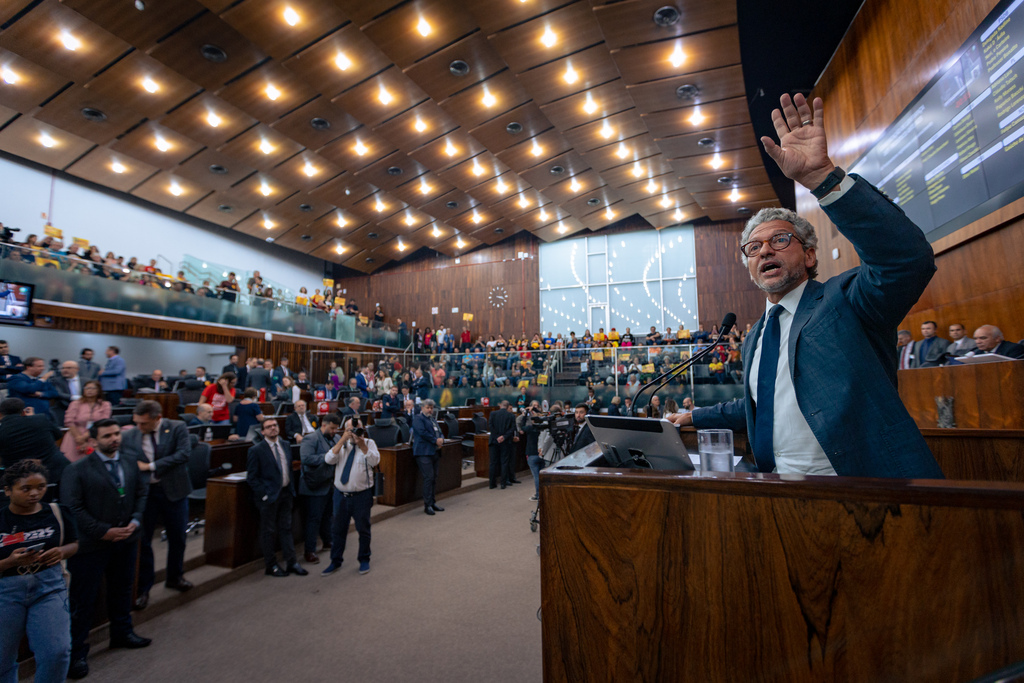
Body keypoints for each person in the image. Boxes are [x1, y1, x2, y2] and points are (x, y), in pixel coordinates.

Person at [677, 93, 943, 479]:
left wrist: (823, 180)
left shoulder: (847, 301)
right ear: (750, 266)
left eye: (780, 240)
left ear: (810, 256)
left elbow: (907, 260)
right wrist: (692, 415)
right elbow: (760, 403)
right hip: (779, 496)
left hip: (863, 494)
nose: (765, 249)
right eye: (754, 247)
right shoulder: (758, 336)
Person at [61, 420, 151, 679]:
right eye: (107, 435)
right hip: (92, 545)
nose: (114, 439)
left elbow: (141, 493)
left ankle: (122, 633)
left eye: (116, 434)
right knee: (83, 600)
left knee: (122, 590)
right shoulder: (77, 469)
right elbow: (73, 508)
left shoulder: (129, 460)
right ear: (92, 441)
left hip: (126, 538)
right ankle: (76, 653)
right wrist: (103, 530)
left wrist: (135, 521)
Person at [0, 459, 78, 683]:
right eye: (25, 488)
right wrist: (9, 562)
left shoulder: (57, 512)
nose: (34, 493)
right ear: (8, 490)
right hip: (6, 589)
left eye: (40, 487)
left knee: (57, 653)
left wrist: (61, 551)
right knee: (2, 660)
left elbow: (74, 544)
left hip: (49, 586)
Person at [120, 401, 193, 609]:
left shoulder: (177, 427)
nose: (139, 427)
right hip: (146, 494)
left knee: (178, 537)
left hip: (174, 491)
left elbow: (183, 455)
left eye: (144, 423)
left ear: (157, 418)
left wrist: (151, 466)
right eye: (137, 423)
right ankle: (144, 588)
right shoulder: (130, 435)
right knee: (144, 540)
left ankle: (175, 576)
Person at [245, 419, 307, 577]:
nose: (273, 428)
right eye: (268, 427)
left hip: (286, 493)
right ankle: (271, 565)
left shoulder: (285, 444)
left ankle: (291, 562)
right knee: (268, 531)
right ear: (263, 432)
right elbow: (252, 478)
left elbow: (288, 468)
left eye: (275, 426)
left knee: (286, 528)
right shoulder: (256, 450)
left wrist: (291, 490)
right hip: (269, 497)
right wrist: (264, 495)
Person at [322, 416, 379, 575]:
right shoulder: (341, 445)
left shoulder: (369, 443)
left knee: (363, 529)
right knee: (337, 530)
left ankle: (364, 559)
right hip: (340, 495)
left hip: (362, 495)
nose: (354, 433)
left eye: (358, 429)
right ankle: (335, 561)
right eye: (350, 430)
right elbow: (328, 459)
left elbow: (374, 461)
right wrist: (341, 441)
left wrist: (361, 444)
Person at [0, 398, 69, 490]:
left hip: (21, 482)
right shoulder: (40, 419)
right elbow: (58, 435)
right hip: (55, 472)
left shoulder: (2, 430)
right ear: (23, 412)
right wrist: (33, 417)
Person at [299, 413, 339, 565]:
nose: (334, 431)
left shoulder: (335, 438)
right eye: (332, 428)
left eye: (336, 429)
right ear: (324, 425)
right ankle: (309, 551)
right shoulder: (311, 438)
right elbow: (306, 459)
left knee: (328, 515)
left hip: (330, 484)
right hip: (314, 485)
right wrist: (327, 457)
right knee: (313, 519)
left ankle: (327, 541)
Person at [60, 381, 111, 462]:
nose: (89, 390)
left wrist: (84, 437)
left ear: (98, 390)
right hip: (74, 436)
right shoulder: (75, 403)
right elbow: (69, 421)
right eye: (87, 388)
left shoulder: (105, 404)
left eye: (92, 388)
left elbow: (103, 421)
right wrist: (79, 439)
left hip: (94, 436)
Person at [411, 399, 445, 515]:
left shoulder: (433, 419)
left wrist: (441, 439)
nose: (430, 410)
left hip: (434, 452)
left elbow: (440, 431)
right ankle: (427, 505)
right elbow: (422, 433)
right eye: (427, 408)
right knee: (428, 477)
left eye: (431, 408)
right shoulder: (418, 419)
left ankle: (433, 502)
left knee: (434, 478)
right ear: (422, 408)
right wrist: (436, 440)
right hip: (423, 452)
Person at [487, 400, 517, 489]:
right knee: (504, 462)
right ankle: (503, 483)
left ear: (500, 405)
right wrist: (503, 437)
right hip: (505, 442)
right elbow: (512, 429)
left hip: (494, 441)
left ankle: (492, 484)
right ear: (507, 407)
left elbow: (490, 426)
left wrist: (497, 437)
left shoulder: (493, 414)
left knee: (493, 462)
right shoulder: (511, 415)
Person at [519, 402, 543, 502]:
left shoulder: (530, 428)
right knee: (542, 476)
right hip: (542, 453)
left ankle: (538, 494)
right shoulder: (543, 428)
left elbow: (521, 426)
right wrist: (536, 410)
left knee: (536, 476)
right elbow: (543, 415)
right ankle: (543, 493)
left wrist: (525, 415)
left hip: (531, 454)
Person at [48, 360, 82, 426]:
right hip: (63, 410)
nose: (65, 370)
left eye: (68, 368)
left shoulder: (86, 380)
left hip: (82, 410)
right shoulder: (55, 380)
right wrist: (75, 397)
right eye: (63, 368)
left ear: (77, 369)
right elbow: (57, 393)